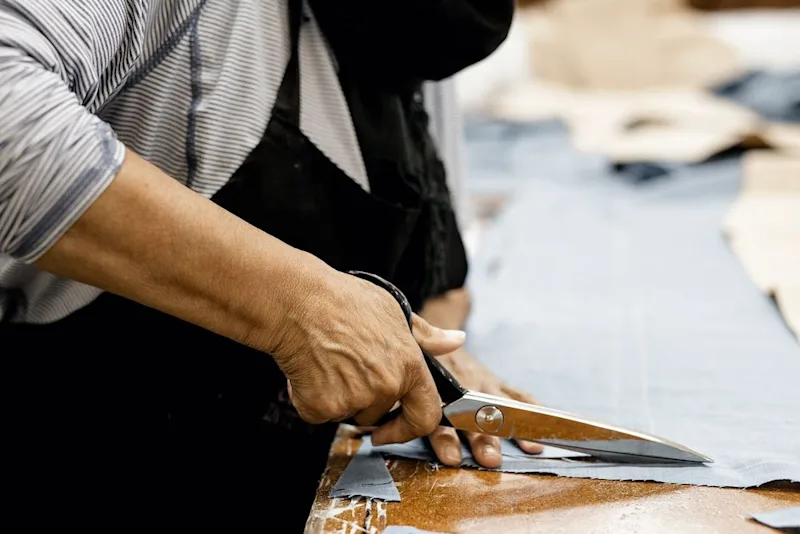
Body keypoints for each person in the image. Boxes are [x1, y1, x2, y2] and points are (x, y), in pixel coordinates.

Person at [0, 0, 540, 530]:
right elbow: (11, 125)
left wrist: (423, 359)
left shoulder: (428, 30)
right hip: (89, 448)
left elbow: (440, 266)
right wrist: (299, 307)